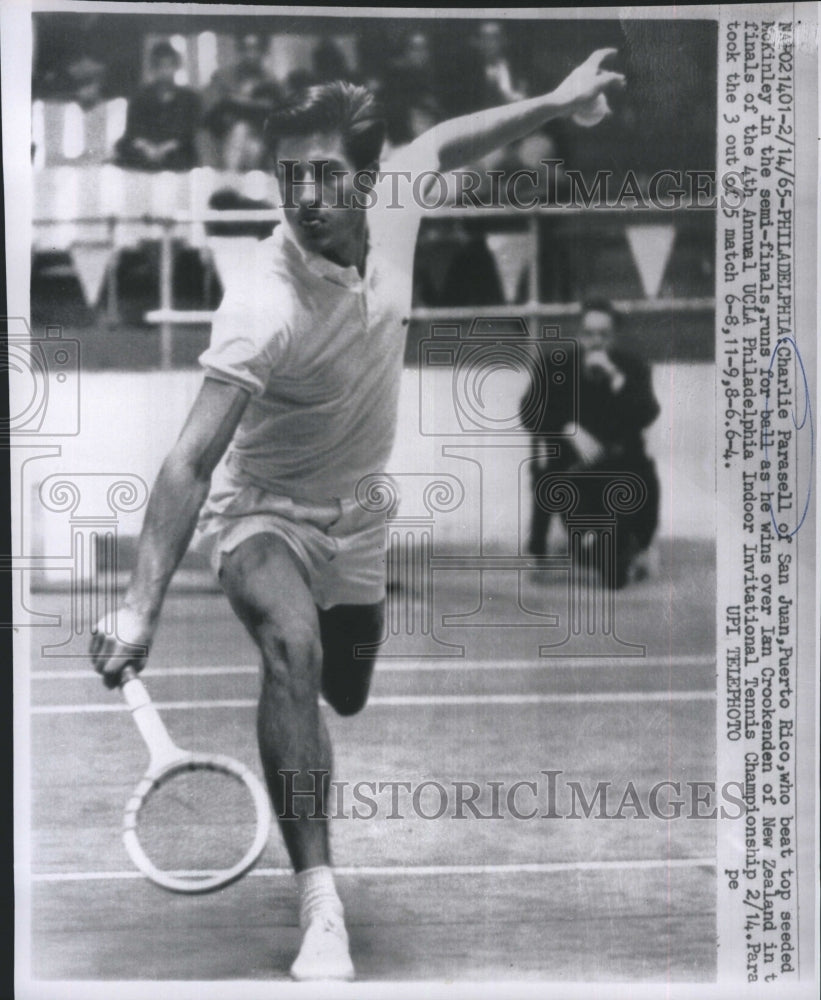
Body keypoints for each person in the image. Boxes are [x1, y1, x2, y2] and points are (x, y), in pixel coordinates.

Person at [91, 50, 626, 981]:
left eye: (325, 173)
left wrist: (551, 100)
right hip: (262, 515)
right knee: (292, 651)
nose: (303, 194)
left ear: (367, 180)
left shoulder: (400, 198)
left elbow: (449, 139)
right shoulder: (261, 302)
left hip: (362, 516)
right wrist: (139, 606)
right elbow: (188, 459)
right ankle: (320, 906)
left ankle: (325, 698)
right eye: (289, 174)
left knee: (345, 689)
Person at [523, 298, 660, 588]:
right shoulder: (554, 367)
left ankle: (637, 546)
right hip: (571, 468)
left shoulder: (632, 368)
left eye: (603, 334)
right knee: (586, 539)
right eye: (589, 334)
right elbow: (529, 412)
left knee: (643, 481)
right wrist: (567, 428)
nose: (596, 341)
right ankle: (570, 546)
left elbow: (648, 413)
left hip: (622, 466)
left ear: (614, 336)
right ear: (579, 334)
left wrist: (615, 378)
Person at [114, 41, 200, 171]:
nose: (165, 71)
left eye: (169, 66)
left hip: (176, 150)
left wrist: (165, 148)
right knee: (123, 147)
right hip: (145, 150)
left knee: (186, 153)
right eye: (159, 66)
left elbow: (189, 131)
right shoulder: (140, 97)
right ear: (153, 69)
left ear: (176, 67)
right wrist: (147, 148)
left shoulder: (189, 97)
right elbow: (132, 131)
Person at [201, 33, 281, 171]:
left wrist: (240, 103)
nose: (251, 54)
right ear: (239, 51)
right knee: (240, 130)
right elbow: (209, 117)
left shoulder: (272, 84)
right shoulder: (222, 78)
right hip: (224, 142)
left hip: (260, 144)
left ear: (263, 51)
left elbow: (277, 117)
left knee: (252, 144)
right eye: (246, 49)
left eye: (256, 49)